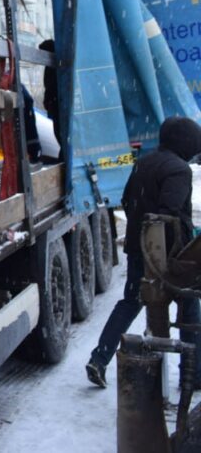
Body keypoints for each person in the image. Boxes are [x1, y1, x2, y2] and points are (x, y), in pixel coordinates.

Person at [85, 116, 201, 388]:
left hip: (139, 249)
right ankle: (194, 375)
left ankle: (99, 359)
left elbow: (127, 200)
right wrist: (178, 247)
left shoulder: (144, 162)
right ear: (186, 143)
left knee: (130, 302)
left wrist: (142, 234)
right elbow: (169, 213)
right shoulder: (179, 170)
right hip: (167, 255)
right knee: (189, 306)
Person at [0, 69, 42, 163]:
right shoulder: (0, 74)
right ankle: (33, 154)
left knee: (17, 131)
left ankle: (26, 156)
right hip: (23, 100)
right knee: (29, 128)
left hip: (16, 101)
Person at [39, 39, 60, 153]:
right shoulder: (52, 66)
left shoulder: (53, 67)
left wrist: (48, 101)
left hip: (55, 104)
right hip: (54, 104)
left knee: (59, 132)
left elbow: (50, 87)